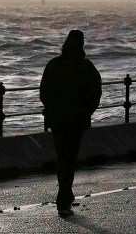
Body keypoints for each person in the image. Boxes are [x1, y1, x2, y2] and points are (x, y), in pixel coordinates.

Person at [40, 29, 102, 217]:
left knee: (62, 156)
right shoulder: (85, 66)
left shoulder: (54, 65)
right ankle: (64, 198)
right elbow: (95, 93)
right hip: (77, 120)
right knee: (70, 157)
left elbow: (44, 93)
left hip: (57, 120)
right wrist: (87, 112)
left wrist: (52, 109)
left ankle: (64, 196)